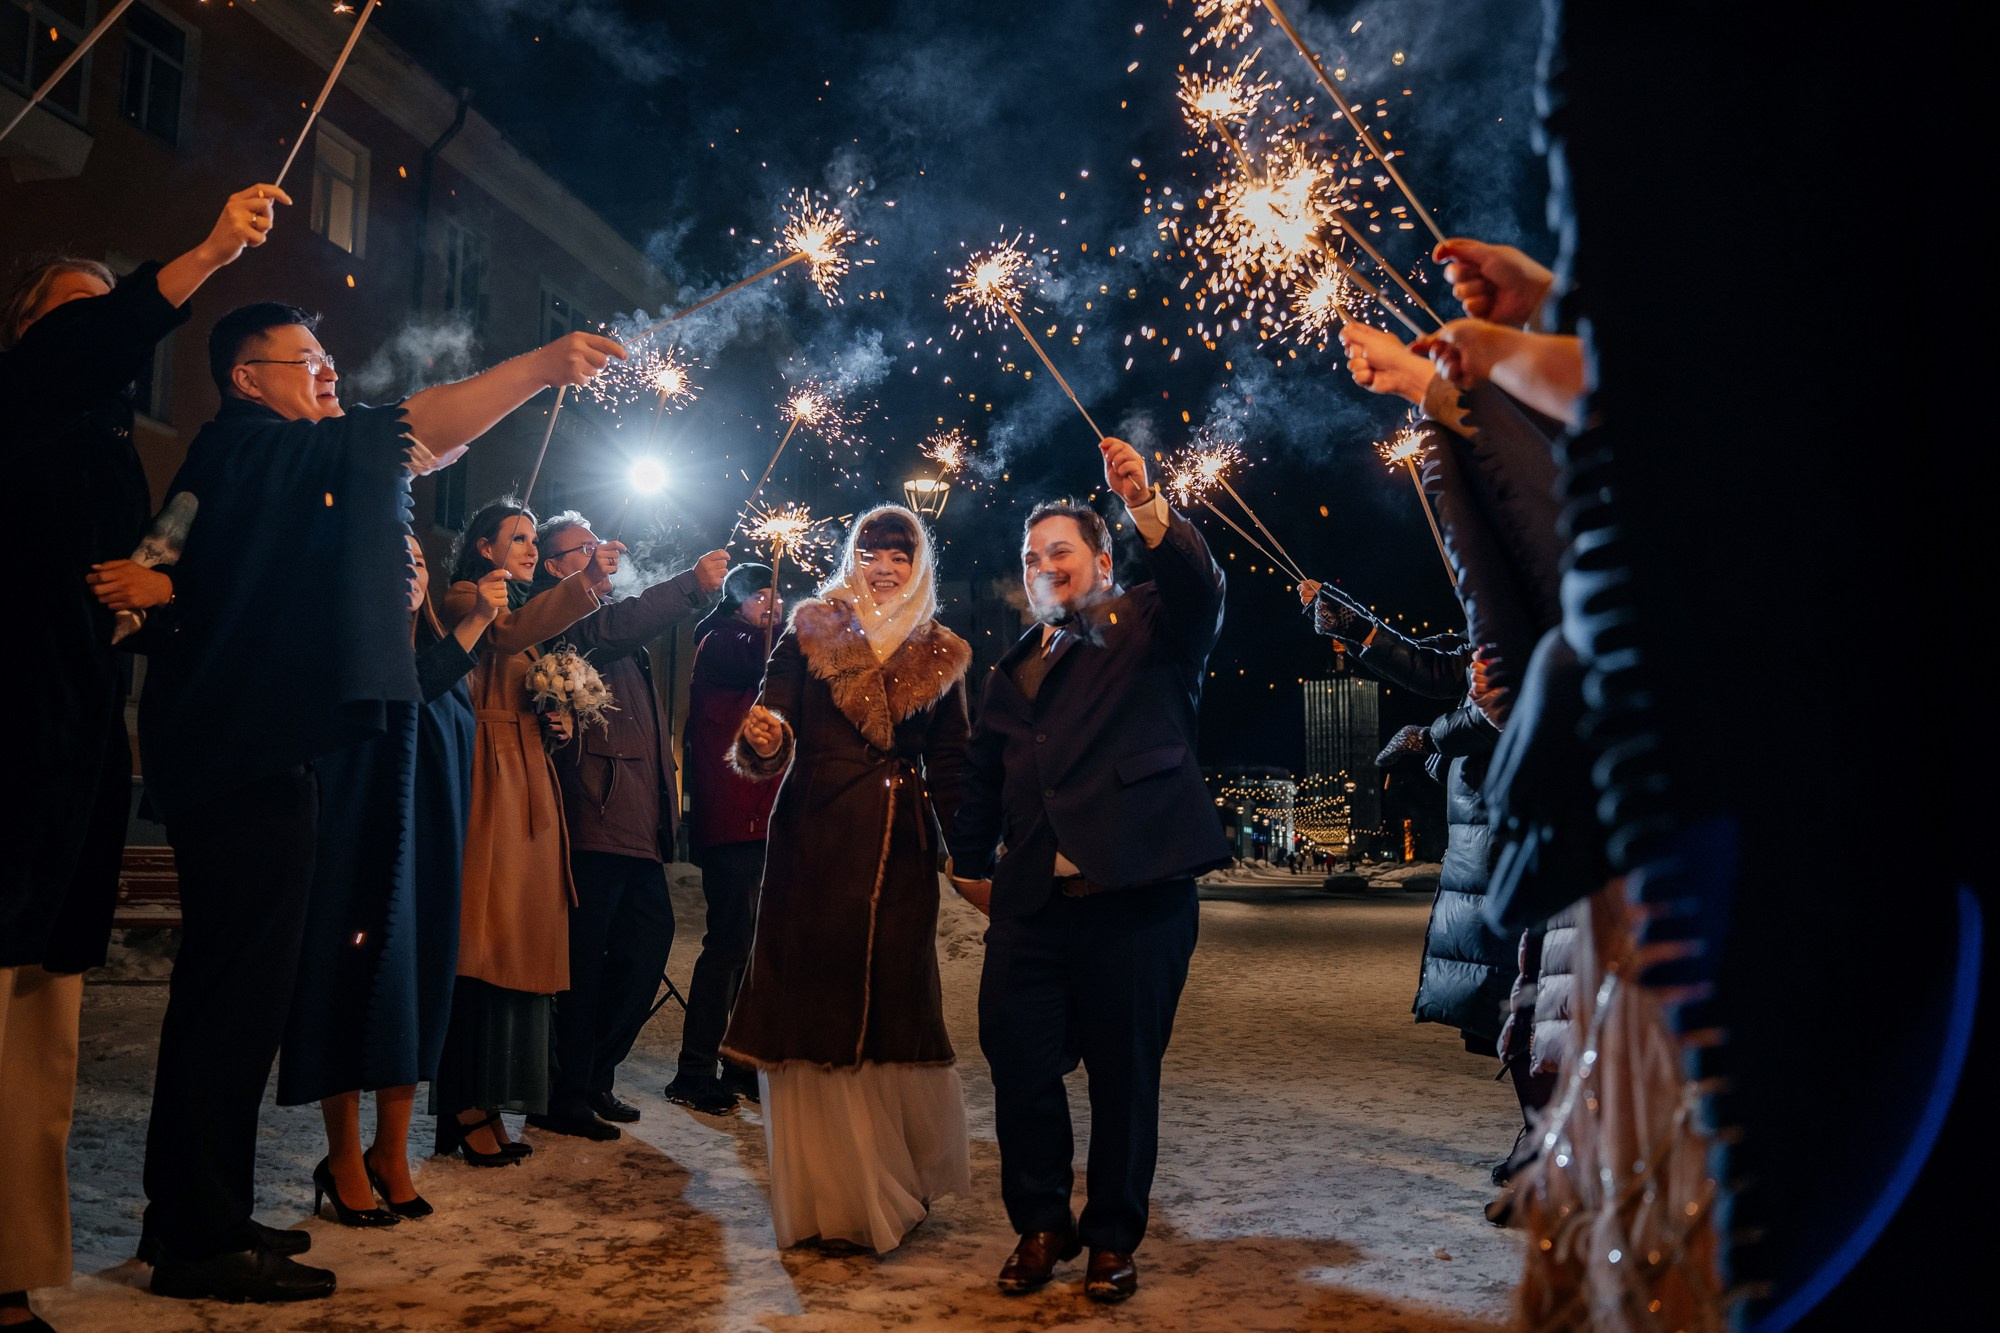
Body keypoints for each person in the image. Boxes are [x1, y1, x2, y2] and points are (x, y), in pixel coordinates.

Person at [134, 302, 625, 1303]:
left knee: (238, 1000)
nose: (328, 375)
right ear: (244, 378)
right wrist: (536, 364)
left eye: (327, 361)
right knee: (228, 1003)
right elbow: (410, 434)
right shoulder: (248, 451)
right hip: (241, 761)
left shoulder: (273, 463)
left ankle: (204, 1211)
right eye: (307, 361)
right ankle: (193, 1235)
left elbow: (394, 461)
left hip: (263, 757)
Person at [0, 185, 289, 1331]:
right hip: (10, 745)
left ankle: (13, 1267)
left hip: (75, 757)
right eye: (74, 322)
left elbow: (136, 570)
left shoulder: (109, 450)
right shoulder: (15, 409)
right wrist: (207, 253)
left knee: (40, 1026)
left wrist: (149, 599)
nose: (100, 340)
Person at [950, 438, 1231, 1305]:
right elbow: (986, 776)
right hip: (1032, 904)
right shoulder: (1010, 668)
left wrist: (1148, 501)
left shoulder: (1151, 620)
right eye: (1032, 558)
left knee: (1123, 1079)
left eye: (1060, 551)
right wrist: (966, 862)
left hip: (1136, 897)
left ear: (1101, 558)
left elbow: (1201, 584)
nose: (1044, 567)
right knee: (1018, 1061)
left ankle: (1111, 1236)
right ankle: (1042, 1222)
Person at [727, 505, 973, 1255]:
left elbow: (956, 764)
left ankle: (891, 1182)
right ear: (852, 557)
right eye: (872, 549)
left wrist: (970, 853)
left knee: (891, 1011)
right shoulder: (813, 628)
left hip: (899, 852)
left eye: (902, 552)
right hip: (815, 840)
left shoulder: (943, 650)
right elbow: (770, 725)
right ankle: (831, 1197)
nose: (886, 564)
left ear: (919, 563)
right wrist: (762, 736)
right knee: (816, 1011)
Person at [273, 538, 505, 1228]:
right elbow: (400, 694)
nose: (407, 572)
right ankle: (343, 1156)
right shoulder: (353, 651)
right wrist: (472, 627)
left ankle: (391, 1152)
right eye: (389, 559)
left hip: (428, 853)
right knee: (348, 995)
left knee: (415, 999)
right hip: (358, 851)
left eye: (417, 563)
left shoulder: (443, 660)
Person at [432, 500, 620, 1165]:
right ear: (482, 545)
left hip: (527, 780)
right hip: (490, 783)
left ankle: (492, 1098)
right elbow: (503, 635)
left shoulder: (517, 612)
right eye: (518, 537)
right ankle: (463, 1104)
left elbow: (521, 664)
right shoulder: (465, 596)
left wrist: (557, 718)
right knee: (484, 946)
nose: (531, 548)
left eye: (536, 540)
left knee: (515, 945)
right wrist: (586, 583)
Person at [529, 514, 726, 1139]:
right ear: (555, 564)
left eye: (598, 543)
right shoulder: (557, 613)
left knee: (644, 948)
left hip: (630, 821)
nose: (599, 553)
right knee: (587, 965)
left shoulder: (598, 614)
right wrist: (689, 586)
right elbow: (612, 628)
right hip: (594, 814)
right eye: (582, 548)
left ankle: (591, 1076)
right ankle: (566, 1093)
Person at [665, 563, 782, 1116]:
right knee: (730, 945)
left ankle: (737, 1062)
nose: (774, 608)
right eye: (764, 598)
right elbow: (761, 655)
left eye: (777, 599)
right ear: (739, 599)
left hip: (761, 819)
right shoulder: (724, 641)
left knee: (755, 950)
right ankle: (694, 1069)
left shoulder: (749, 641)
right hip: (736, 820)